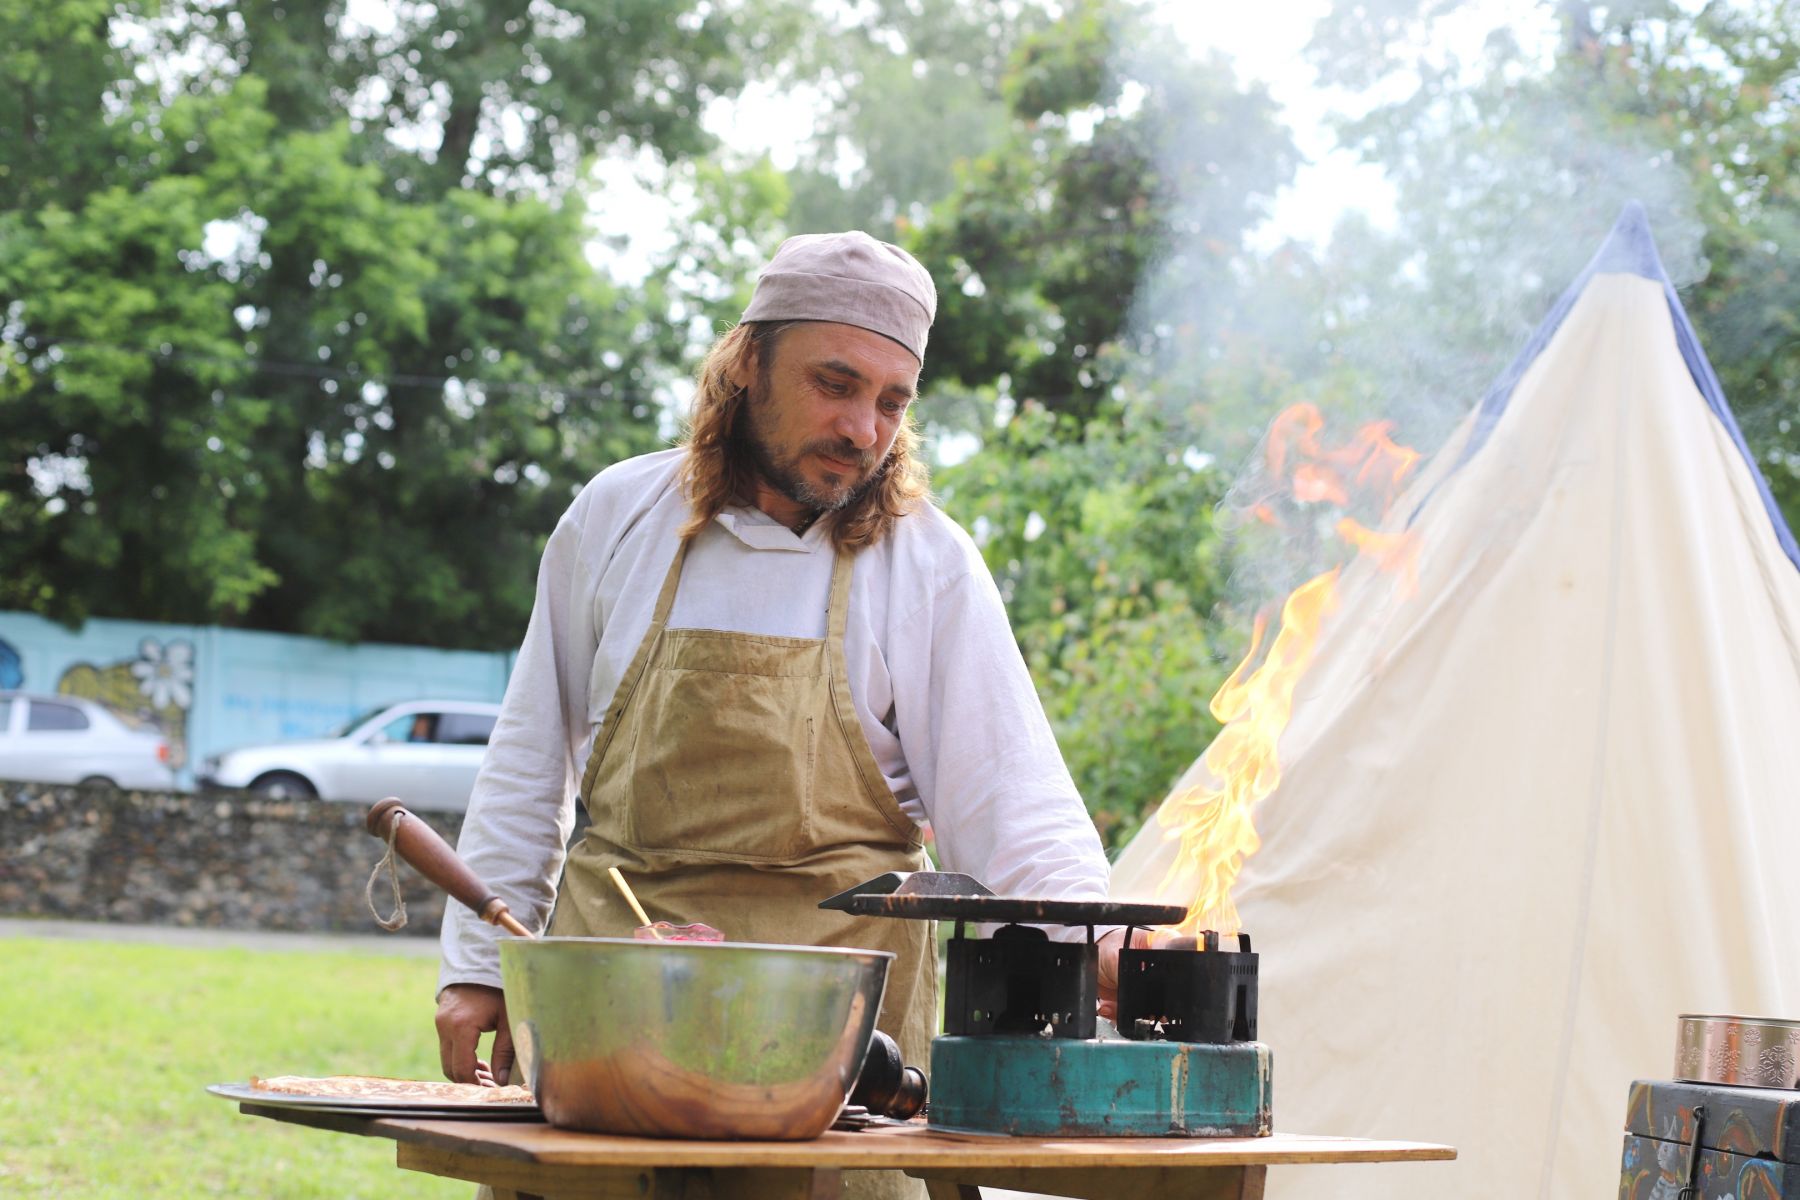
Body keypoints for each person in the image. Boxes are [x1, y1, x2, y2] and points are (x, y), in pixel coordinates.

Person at [435, 233, 1131, 1195]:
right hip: (614, 1035)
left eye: (893, 401)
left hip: (844, 1071)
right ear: (747, 365)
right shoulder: (616, 517)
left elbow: (1014, 804)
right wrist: (475, 967)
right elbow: (527, 759)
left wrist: (1108, 945)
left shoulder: (927, 564)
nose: (863, 428)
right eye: (835, 384)